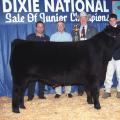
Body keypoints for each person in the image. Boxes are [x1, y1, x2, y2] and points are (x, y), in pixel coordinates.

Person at [72, 11, 98, 96]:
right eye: (81, 18)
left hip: (90, 55)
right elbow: (73, 42)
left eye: (84, 18)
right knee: (79, 72)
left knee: (90, 73)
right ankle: (80, 90)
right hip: (79, 54)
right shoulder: (75, 29)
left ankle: (90, 90)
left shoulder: (93, 29)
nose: (83, 20)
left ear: (87, 19)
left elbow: (96, 42)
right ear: (79, 20)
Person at [26, 21, 50, 101]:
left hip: (43, 62)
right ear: (36, 28)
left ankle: (41, 95)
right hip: (33, 62)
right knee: (31, 79)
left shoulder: (47, 38)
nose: (40, 28)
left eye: (42, 27)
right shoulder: (30, 37)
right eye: (38, 27)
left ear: (43, 28)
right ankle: (30, 96)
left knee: (42, 79)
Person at [50, 21, 73, 98]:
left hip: (67, 58)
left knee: (68, 74)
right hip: (57, 58)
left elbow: (71, 48)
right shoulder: (53, 36)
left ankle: (68, 92)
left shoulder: (69, 36)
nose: (60, 27)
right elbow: (51, 49)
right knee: (57, 75)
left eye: (61, 25)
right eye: (58, 26)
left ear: (64, 26)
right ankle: (58, 92)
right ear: (57, 27)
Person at [103, 13, 120, 99]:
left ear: (116, 20)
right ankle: (107, 91)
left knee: (119, 74)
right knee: (108, 74)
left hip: (118, 55)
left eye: (114, 20)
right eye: (110, 20)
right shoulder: (106, 30)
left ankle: (119, 91)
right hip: (109, 56)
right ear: (109, 21)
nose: (112, 22)